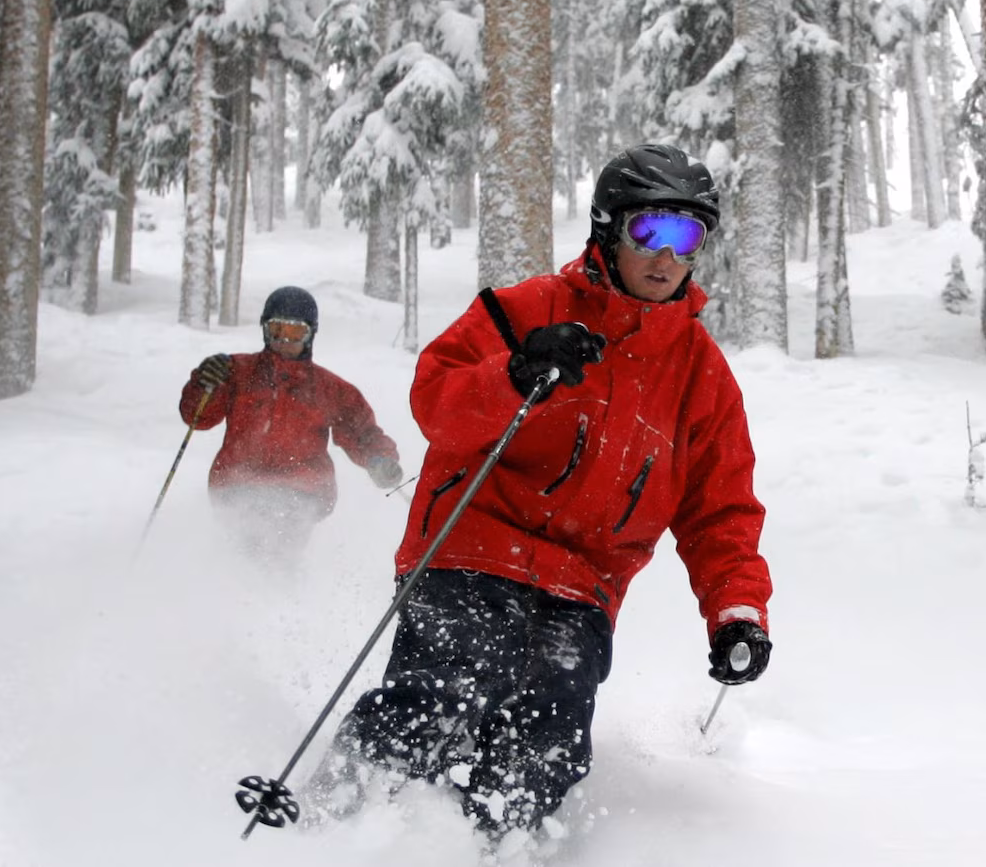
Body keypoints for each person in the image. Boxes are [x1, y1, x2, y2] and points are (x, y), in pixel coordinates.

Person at [312, 144, 774, 841]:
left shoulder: (700, 374)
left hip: (583, 586)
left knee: (548, 734)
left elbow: (721, 509)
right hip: (472, 548)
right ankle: (336, 825)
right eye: (650, 229)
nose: (667, 256)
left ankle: (498, 846)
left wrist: (736, 611)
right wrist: (515, 372)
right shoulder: (527, 309)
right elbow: (435, 400)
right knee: (444, 689)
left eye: (688, 237)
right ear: (608, 229)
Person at [179, 286, 405, 558]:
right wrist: (204, 384)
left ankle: (276, 578)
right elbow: (197, 418)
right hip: (237, 484)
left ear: (310, 335)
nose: (285, 341)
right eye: (277, 330)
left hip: (301, 489)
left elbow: (361, 432)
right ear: (265, 330)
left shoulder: (328, 388)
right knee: (243, 543)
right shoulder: (238, 372)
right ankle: (240, 578)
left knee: (279, 534)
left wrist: (379, 459)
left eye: (295, 333)